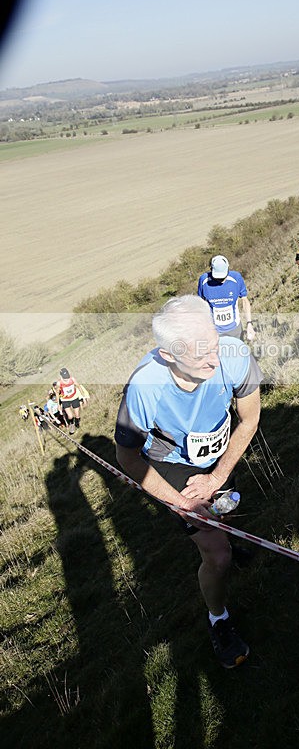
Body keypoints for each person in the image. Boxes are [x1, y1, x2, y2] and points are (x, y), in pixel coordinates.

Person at [114, 295, 262, 669]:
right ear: (169, 356)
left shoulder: (233, 354)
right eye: (201, 357)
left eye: (214, 344)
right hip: (170, 463)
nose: (215, 360)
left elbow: (249, 421)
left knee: (223, 507)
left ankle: (222, 533)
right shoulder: (144, 388)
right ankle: (219, 620)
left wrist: (217, 475)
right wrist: (181, 502)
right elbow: (126, 457)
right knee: (217, 553)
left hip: (214, 453)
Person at [198, 255, 256, 341]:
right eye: (217, 277)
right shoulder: (204, 280)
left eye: (223, 276)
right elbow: (200, 304)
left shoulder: (236, 278)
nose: (221, 280)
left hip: (235, 329)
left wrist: (249, 323)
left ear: (228, 269)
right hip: (214, 331)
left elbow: (245, 301)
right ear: (211, 269)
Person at [57, 367, 82, 434]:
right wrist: (58, 404)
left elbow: (78, 386)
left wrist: (83, 395)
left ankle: (76, 422)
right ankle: (71, 424)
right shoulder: (59, 383)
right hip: (65, 399)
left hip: (74, 397)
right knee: (70, 416)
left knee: (77, 415)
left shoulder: (72, 379)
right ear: (61, 376)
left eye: (67, 377)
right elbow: (57, 393)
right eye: (65, 378)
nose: (67, 379)